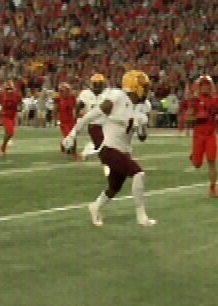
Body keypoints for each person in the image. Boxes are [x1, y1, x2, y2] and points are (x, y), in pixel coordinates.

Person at [63, 70, 155, 227]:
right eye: (144, 87)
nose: (146, 91)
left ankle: (95, 207)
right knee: (138, 173)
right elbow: (90, 115)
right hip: (109, 149)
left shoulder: (142, 106)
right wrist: (72, 135)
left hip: (124, 151)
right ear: (134, 86)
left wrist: (142, 126)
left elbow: (142, 137)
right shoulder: (118, 97)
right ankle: (141, 216)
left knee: (114, 187)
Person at [186, 75, 218, 197]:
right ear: (199, 87)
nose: (205, 88)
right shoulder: (195, 100)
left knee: (212, 160)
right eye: (203, 86)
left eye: (207, 86)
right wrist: (198, 117)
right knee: (197, 164)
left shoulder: (216, 100)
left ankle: (213, 188)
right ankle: (194, 157)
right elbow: (187, 118)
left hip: (210, 134)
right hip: (199, 134)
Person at [76, 73, 109, 162]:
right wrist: (77, 118)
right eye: (96, 84)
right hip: (94, 124)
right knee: (102, 144)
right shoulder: (86, 93)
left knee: (104, 143)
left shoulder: (107, 93)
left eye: (99, 84)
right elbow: (79, 106)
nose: (98, 87)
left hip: (106, 123)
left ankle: (85, 153)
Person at [0, 80, 22, 156]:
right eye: (7, 89)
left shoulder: (17, 95)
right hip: (5, 115)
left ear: (13, 88)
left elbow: (20, 103)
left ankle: (3, 147)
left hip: (13, 116)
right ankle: (3, 146)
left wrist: (20, 108)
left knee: (8, 132)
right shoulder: (2, 94)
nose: (9, 91)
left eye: (10, 89)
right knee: (10, 132)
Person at [55, 82, 78, 160]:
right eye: (61, 91)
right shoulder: (58, 99)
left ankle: (73, 152)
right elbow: (55, 110)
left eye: (64, 91)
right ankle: (65, 146)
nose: (63, 92)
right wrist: (56, 120)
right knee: (68, 136)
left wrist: (77, 117)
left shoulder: (72, 98)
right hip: (63, 122)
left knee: (73, 137)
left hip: (71, 121)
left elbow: (76, 108)